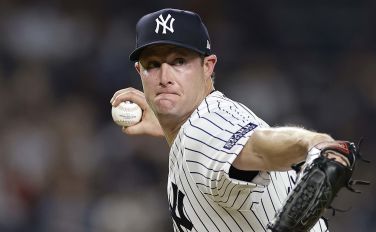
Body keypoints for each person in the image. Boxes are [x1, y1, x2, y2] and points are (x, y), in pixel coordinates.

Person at [110, 8, 350, 232]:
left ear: (207, 66)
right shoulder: (199, 125)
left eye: (179, 61)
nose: (164, 77)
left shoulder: (203, 127)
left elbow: (259, 148)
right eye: (153, 64)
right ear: (139, 72)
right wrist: (167, 126)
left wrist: (314, 142)